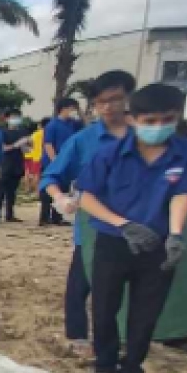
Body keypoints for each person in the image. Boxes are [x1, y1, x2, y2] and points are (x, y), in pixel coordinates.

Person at [75, 83, 187, 373]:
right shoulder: (109, 154)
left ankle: (133, 370)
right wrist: (124, 224)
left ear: (177, 117)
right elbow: (86, 198)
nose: (158, 127)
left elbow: (181, 194)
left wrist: (175, 234)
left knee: (146, 311)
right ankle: (104, 367)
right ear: (133, 119)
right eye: (149, 122)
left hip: (158, 245)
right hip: (114, 240)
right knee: (105, 307)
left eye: (167, 119)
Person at [40, 69, 137, 353]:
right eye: (100, 102)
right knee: (82, 282)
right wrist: (60, 198)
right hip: (94, 228)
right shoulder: (84, 141)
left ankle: (123, 336)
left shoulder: (146, 139)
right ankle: (79, 335)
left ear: (128, 98)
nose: (107, 107)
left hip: (136, 225)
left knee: (126, 288)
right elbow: (51, 176)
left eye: (115, 99)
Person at [41, 99, 82, 225]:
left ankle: (57, 217)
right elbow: (48, 144)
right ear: (63, 108)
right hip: (54, 162)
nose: (73, 111)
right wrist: (55, 161)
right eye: (71, 108)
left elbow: (86, 125)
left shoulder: (73, 124)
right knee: (50, 188)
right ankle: (44, 217)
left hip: (68, 162)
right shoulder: (52, 125)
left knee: (63, 189)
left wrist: (80, 113)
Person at [0, 110, 32, 224]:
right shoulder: (2, 132)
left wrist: (27, 144)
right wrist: (16, 144)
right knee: (0, 191)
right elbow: (3, 148)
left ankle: (10, 215)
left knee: (12, 191)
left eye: (17, 117)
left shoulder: (23, 131)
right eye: (13, 117)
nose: (16, 119)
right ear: (6, 119)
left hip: (18, 163)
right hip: (5, 163)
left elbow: (28, 149)